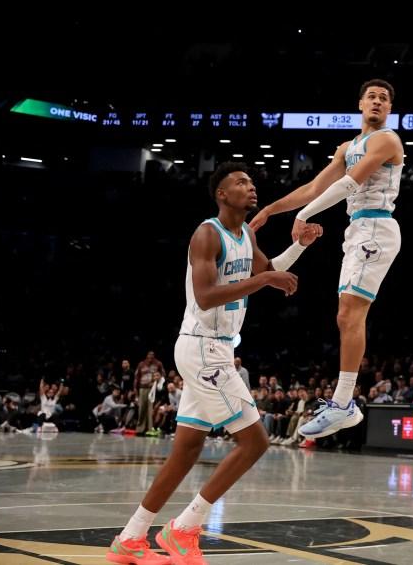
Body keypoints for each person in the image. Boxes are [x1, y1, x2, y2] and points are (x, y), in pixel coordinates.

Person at [106, 162, 322, 565]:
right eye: (241, 182)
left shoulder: (246, 235)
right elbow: (206, 295)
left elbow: (269, 270)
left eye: (252, 181)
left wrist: (300, 246)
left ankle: (131, 537)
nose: (250, 186)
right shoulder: (208, 233)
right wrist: (264, 282)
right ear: (222, 194)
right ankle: (185, 527)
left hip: (216, 349)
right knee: (255, 441)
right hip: (203, 347)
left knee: (187, 450)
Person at [251, 80, 403, 441]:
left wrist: (303, 215)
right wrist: (272, 209)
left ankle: (343, 403)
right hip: (358, 230)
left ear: (389, 109)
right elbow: (316, 187)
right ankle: (344, 404)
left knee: (350, 313)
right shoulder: (347, 146)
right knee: (345, 314)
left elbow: (351, 184)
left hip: (376, 227)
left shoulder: (387, 140)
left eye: (384, 98)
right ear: (360, 104)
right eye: (372, 96)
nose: (378, 101)